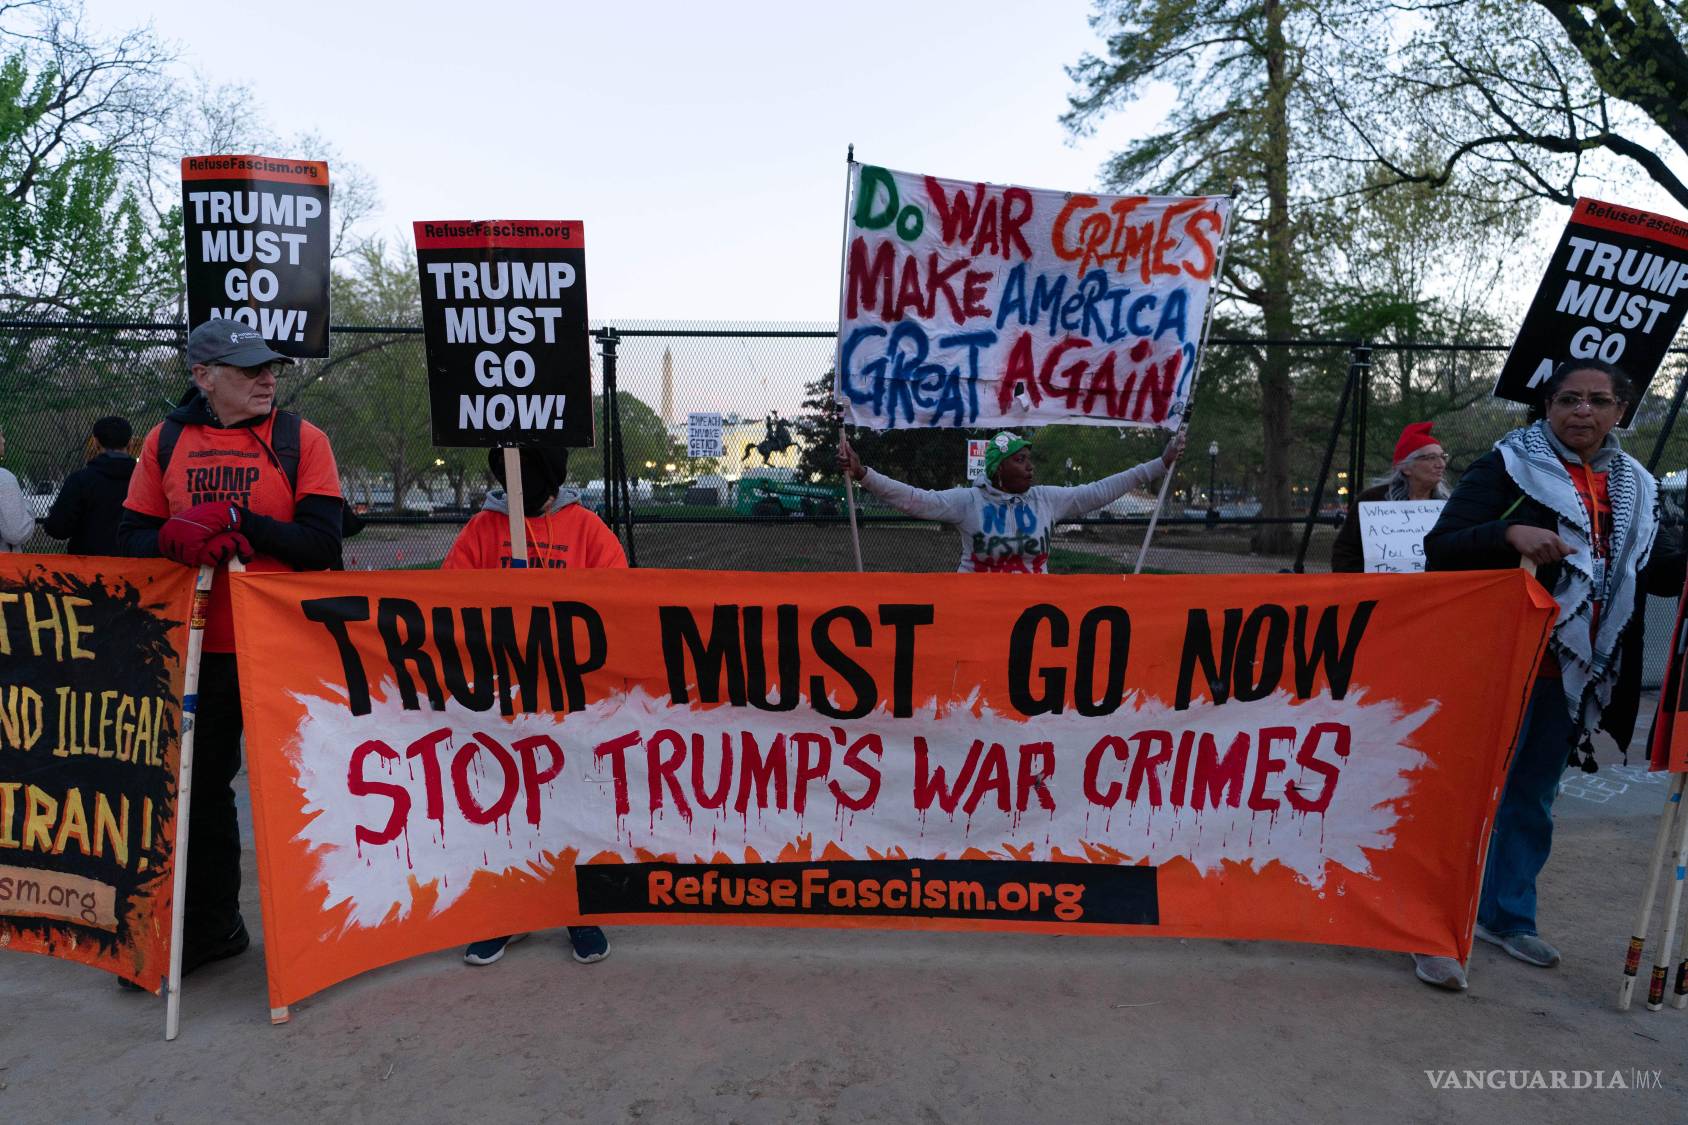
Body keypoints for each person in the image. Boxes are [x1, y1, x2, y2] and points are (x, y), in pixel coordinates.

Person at [1414, 359, 1684, 992]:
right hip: (1501, 657)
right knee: (1464, 795)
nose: (1582, 411)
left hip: (1577, 667)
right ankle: (1429, 929)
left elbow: (1658, 571)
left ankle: (1506, 917)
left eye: (1597, 400)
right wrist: (1510, 531)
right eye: (1568, 399)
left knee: (1533, 795)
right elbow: (1442, 545)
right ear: (1548, 405)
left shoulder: (1638, 488)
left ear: (1621, 411)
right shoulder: (1506, 465)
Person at [118, 318, 344, 983]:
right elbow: (130, 536)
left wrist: (243, 524)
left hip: (285, 646)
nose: (267, 378)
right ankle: (213, 928)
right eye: (249, 370)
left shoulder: (303, 441)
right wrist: (175, 539)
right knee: (201, 789)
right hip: (199, 648)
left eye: (270, 367)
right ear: (204, 377)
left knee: (303, 791)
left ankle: (320, 932)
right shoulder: (165, 442)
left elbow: (322, 544)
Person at [444, 444, 623, 966]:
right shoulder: (483, 530)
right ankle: (510, 913)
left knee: (570, 804)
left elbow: (620, 601)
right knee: (505, 805)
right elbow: (445, 599)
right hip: (501, 700)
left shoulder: (586, 529)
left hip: (570, 699)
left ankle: (577, 908)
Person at [836, 429, 1186, 572]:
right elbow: (916, 500)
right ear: (997, 468)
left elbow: (1099, 491)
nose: (1030, 468)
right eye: (1020, 460)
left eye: (1029, 459)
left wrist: (1160, 464)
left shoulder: (1047, 500)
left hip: (1034, 619)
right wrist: (864, 473)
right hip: (976, 617)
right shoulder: (968, 501)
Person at [1330, 421, 1451, 573]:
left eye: (1442, 456)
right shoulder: (1372, 501)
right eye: (1431, 457)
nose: (1440, 464)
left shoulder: (1449, 505)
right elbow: (1345, 554)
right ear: (1406, 468)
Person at [43, 416, 136, 556]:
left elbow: (58, 528)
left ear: (96, 442)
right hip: (135, 566)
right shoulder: (143, 481)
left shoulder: (80, 480)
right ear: (130, 442)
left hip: (88, 568)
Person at [0, 425, 34, 552]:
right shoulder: (3, 479)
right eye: (1, 435)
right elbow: (17, 533)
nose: (4, 440)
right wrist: (27, 507)